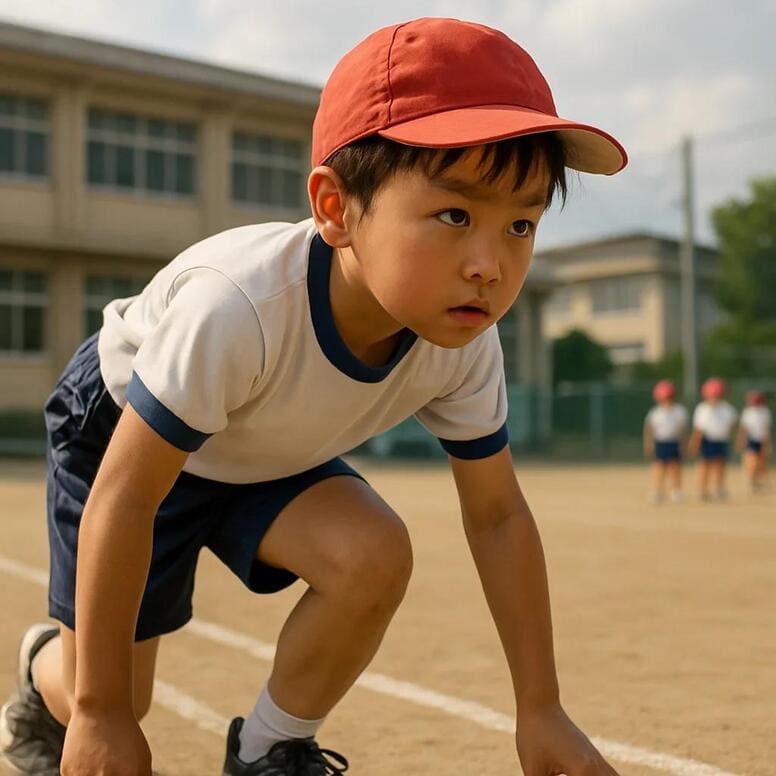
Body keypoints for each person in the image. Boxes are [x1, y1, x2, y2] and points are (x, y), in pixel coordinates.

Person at [0, 18, 627, 776]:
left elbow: (497, 516)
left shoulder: (461, 339)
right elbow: (127, 496)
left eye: (521, 224)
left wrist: (541, 708)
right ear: (335, 209)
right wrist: (99, 714)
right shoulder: (239, 307)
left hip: (260, 444)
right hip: (123, 434)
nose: (489, 266)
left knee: (372, 554)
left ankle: (270, 749)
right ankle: (43, 669)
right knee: (116, 696)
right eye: (455, 215)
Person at [689, 378, 738, 501]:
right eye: (711, 395)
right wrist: (695, 443)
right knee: (704, 466)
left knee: (720, 465)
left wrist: (735, 440)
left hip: (721, 440)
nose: (714, 399)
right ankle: (702, 490)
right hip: (707, 440)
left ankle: (719, 489)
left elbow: (733, 427)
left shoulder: (728, 409)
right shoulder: (702, 409)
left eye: (716, 396)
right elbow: (698, 429)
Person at [643, 380, 688, 503]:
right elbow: (649, 429)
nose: (667, 401)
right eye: (664, 398)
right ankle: (658, 491)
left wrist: (684, 444)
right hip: (660, 442)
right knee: (659, 467)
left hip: (674, 441)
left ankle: (676, 490)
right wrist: (649, 443)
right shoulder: (655, 412)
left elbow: (683, 430)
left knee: (675, 467)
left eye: (669, 398)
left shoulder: (680, 411)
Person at [736, 390, 772, 493]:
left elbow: (766, 429)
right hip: (751, 439)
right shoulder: (748, 412)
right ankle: (752, 481)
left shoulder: (765, 412)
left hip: (761, 439)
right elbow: (744, 428)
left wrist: (767, 443)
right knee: (752, 461)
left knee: (762, 462)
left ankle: (759, 480)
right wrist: (741, 439)